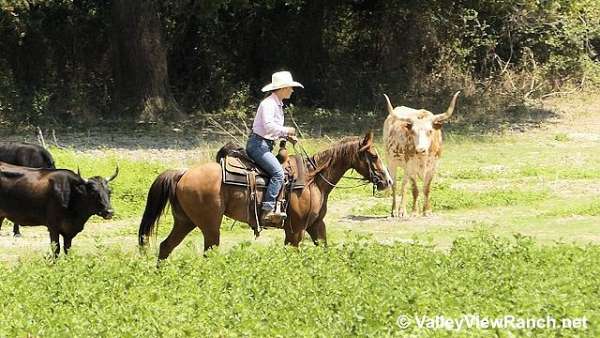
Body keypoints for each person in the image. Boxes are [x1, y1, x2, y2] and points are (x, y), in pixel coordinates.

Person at [246, 71, 303, 225]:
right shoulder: (268, 104)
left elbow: (271, 130)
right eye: (290, 87)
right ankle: (267, 209)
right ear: (282, 88)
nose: (292, 90)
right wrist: (287, 130)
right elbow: (269, 127)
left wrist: (286, 137)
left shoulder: (276, 104)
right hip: (258, 146)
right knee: (278, 173)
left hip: (264, 144)